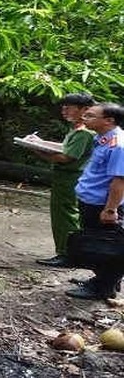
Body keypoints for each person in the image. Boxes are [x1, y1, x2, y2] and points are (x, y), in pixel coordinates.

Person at [27, 93, 95, 267]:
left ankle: (67, 254)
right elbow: (65, 147)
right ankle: (70, 253)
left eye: (69, 107)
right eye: (63, 107)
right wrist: (41, 142)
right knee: (65, 214)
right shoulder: (77, 129)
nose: (64, 110)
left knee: (65, 215)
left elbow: (66, 157)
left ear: (84, 110)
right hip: (67, 178)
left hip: (70, 178)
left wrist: (37, 150)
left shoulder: (84, 133)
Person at [64, 102, 124, 300]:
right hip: (92, 201)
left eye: (90, 116)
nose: (84, 118)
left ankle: (102, 287)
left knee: (108, 245)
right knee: (98, 244)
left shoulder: (118, 145)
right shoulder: (102, 139)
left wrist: (110, 209)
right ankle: (105, 281)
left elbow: (119, 180)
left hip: (103, 205)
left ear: (109, 120)